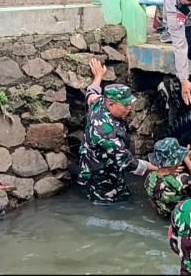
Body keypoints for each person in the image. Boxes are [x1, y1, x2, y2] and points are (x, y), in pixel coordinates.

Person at [76, 59, 178, 204]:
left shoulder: (99, 102)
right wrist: (162, 169)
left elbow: (91, 92)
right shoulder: (106, 134)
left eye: (130, 103)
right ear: (111, 104)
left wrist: (98, 76)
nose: (129, 108)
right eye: (125, 105)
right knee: (110, 206)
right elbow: (129, 163)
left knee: (124, 196)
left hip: (109, 166)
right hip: (99, 179)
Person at [144, 138, 191, 218]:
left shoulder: (149, 177)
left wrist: (173, 168)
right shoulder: (182, 180)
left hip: (163, 214)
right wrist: (187, 160)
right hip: (183, 217)